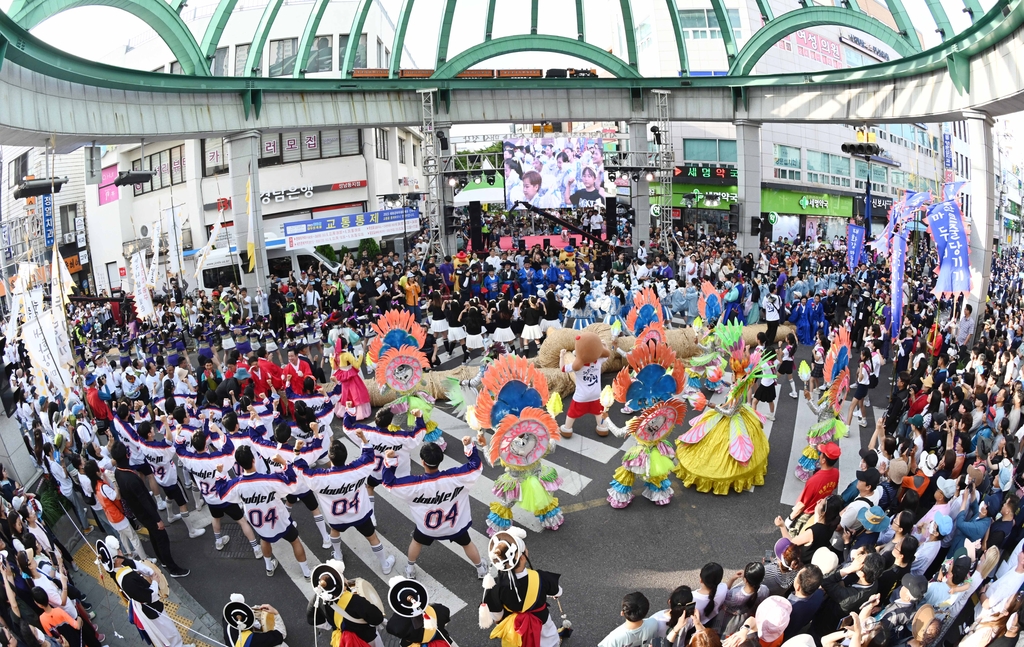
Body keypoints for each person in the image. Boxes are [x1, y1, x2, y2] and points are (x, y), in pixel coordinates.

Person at [381, 434, 489, 580]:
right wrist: (469, 446)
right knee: (467, 543)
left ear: (423, 461)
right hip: (454, 526)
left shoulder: (414, 485)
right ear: (440, 459)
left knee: (416, 541)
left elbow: (388, 483)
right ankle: (481, 569)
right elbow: (476, 466)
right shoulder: (455, 478)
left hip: (427, 529)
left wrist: (390, 461)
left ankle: (410, 569)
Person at [294, 429, 397, 574]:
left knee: (335, 531)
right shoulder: (356, 470)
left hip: (337, 518)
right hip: (360, 513)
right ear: (346, 456)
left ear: (330, 457)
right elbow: (369, 456)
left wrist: (297, 451)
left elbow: (300, 469)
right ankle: (385, 565)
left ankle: (338, 556)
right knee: (372, 537)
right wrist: (363, 439)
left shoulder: (319, 478)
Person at [216, 445, 312, 579]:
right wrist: (284, 464)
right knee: (295, 541)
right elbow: (292, 483)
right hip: (279, 521)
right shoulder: (269, 480)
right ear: (253, 459)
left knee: (265, 540)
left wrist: (220, 474)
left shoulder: (237, 485)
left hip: (260, 525)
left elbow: (221, 492)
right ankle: (307, 573)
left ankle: (268, 567)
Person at [110, 441, 189, 577]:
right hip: (147, 513)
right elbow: (145, 501)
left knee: (154, 535)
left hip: (139, 513)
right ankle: (173, 568)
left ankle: (162, 560)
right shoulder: (130, 478)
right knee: (162, 538)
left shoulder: (118, 472)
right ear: (127, 455)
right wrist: (158, 519)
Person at [483, 528, 563, 647]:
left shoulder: (494, 586)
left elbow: (497, 615)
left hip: (515, 626)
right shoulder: (541, 577)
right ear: (522, 558)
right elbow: (558, 592)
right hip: (541, 619)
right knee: (547, 637)